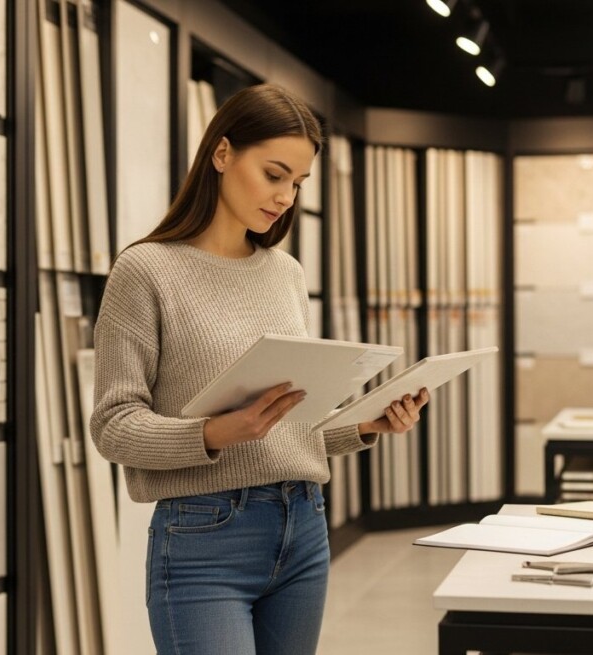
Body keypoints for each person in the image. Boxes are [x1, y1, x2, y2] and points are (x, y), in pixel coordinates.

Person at [89, 83, 429, 654]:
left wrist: (368, 422)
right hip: (204, 537)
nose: (285, 197)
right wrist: (216, 432)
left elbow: (294, 420)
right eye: (274, 175)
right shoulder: (145, 270)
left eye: (297, 183)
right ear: (222, 155)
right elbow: (113, 426)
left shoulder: (285, 273)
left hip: (303, 525)